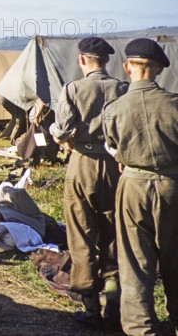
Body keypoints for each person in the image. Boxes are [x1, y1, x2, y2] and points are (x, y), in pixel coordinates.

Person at [48, 37, 128, 329]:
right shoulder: (123, 88)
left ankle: (90, 308)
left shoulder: (73, 89)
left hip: (81, 164)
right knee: (114, 236)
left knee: (80, 237)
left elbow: (64, 131)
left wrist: (54, 130)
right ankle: (114, 306)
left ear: (82, 60)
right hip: (115, 166)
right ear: (106, 61)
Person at [101, 38, 178, 336]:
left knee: (135, 264)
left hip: (133, 186)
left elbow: (112, 147)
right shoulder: (174, 104)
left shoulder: (114, 109)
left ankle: (140, 329)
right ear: (158, 69)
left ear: (126, 67)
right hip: (173, 185)